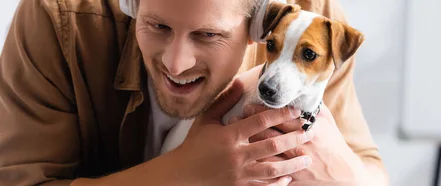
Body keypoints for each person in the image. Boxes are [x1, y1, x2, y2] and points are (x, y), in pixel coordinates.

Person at [0, 0, 388, 185]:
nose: (176, 63)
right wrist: (182, 173)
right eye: (157, 27)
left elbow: (371, 171)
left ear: (258, 27)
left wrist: (340, 174)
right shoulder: (56, 20)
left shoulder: (310, 26)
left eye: (208, 35)